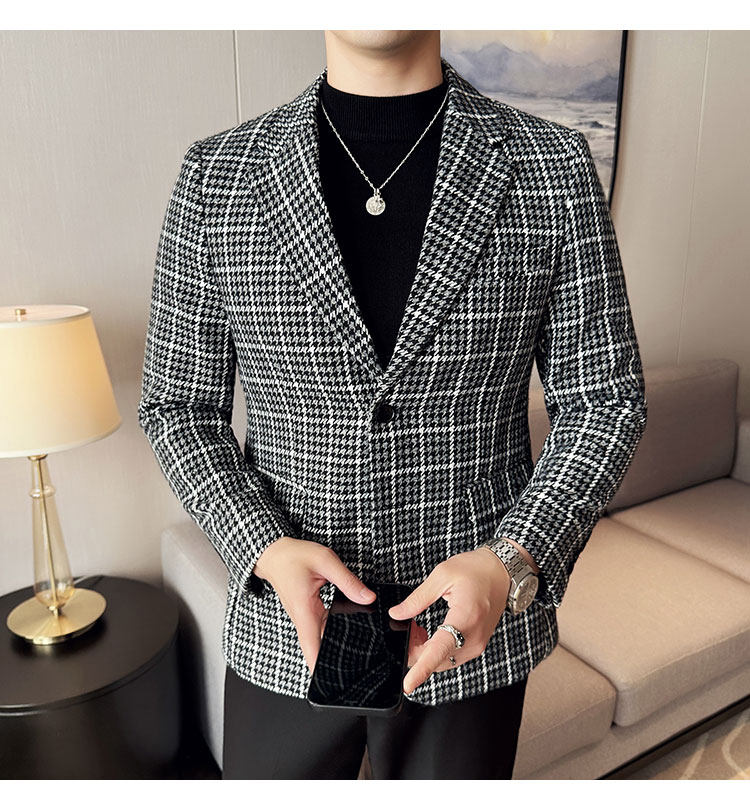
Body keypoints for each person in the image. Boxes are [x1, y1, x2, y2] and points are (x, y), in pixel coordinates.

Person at [138, 30, 647, 779]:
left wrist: (513, 559)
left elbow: (605, 400)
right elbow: (177, 405)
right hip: (284, 631)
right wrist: (262, 547)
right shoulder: (219, 174)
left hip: (470, 640)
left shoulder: (552, 167)